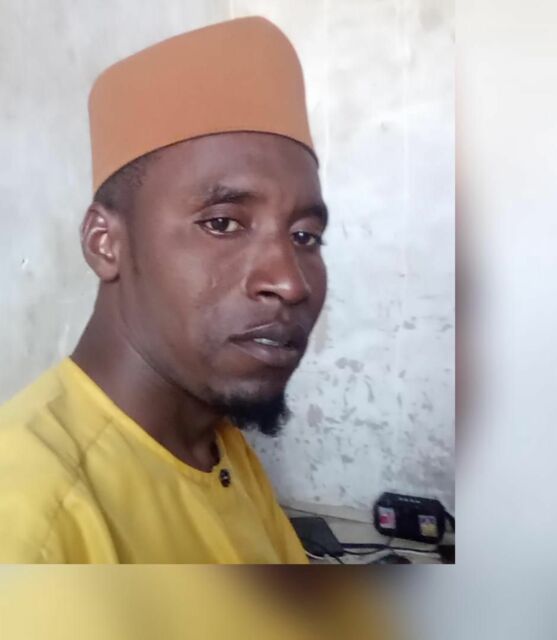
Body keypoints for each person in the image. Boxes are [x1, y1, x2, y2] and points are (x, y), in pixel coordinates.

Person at [0, 16, 328, 563]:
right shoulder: (31, 525)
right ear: (106, 242)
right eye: (222, 223)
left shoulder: (216, 445)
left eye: (305, 236)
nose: (290, 282)